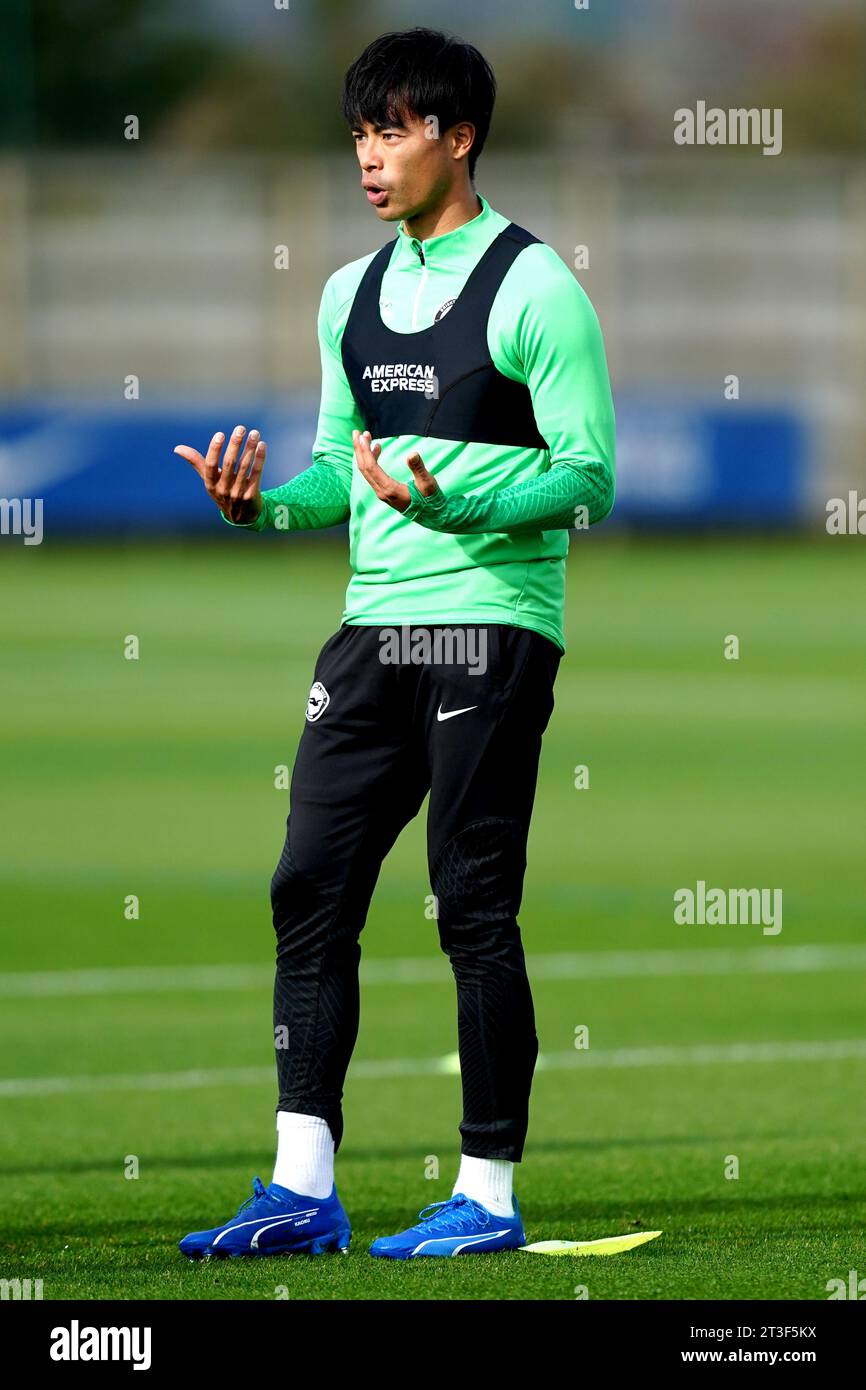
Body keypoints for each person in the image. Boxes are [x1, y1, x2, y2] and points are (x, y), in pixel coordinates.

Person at [175, 25, 615, 1261]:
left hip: (491, 629)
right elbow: (333, 473)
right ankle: (300, 1187)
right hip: (372, 633)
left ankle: (483, 1192)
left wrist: (454, 500)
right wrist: (262, 503)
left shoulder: (535, 288)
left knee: (471, 905)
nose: (368, 157)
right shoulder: (346, 295)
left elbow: (590, 478)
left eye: (392, 130)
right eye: (358, 133)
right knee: (306, 892)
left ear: (455, 136)